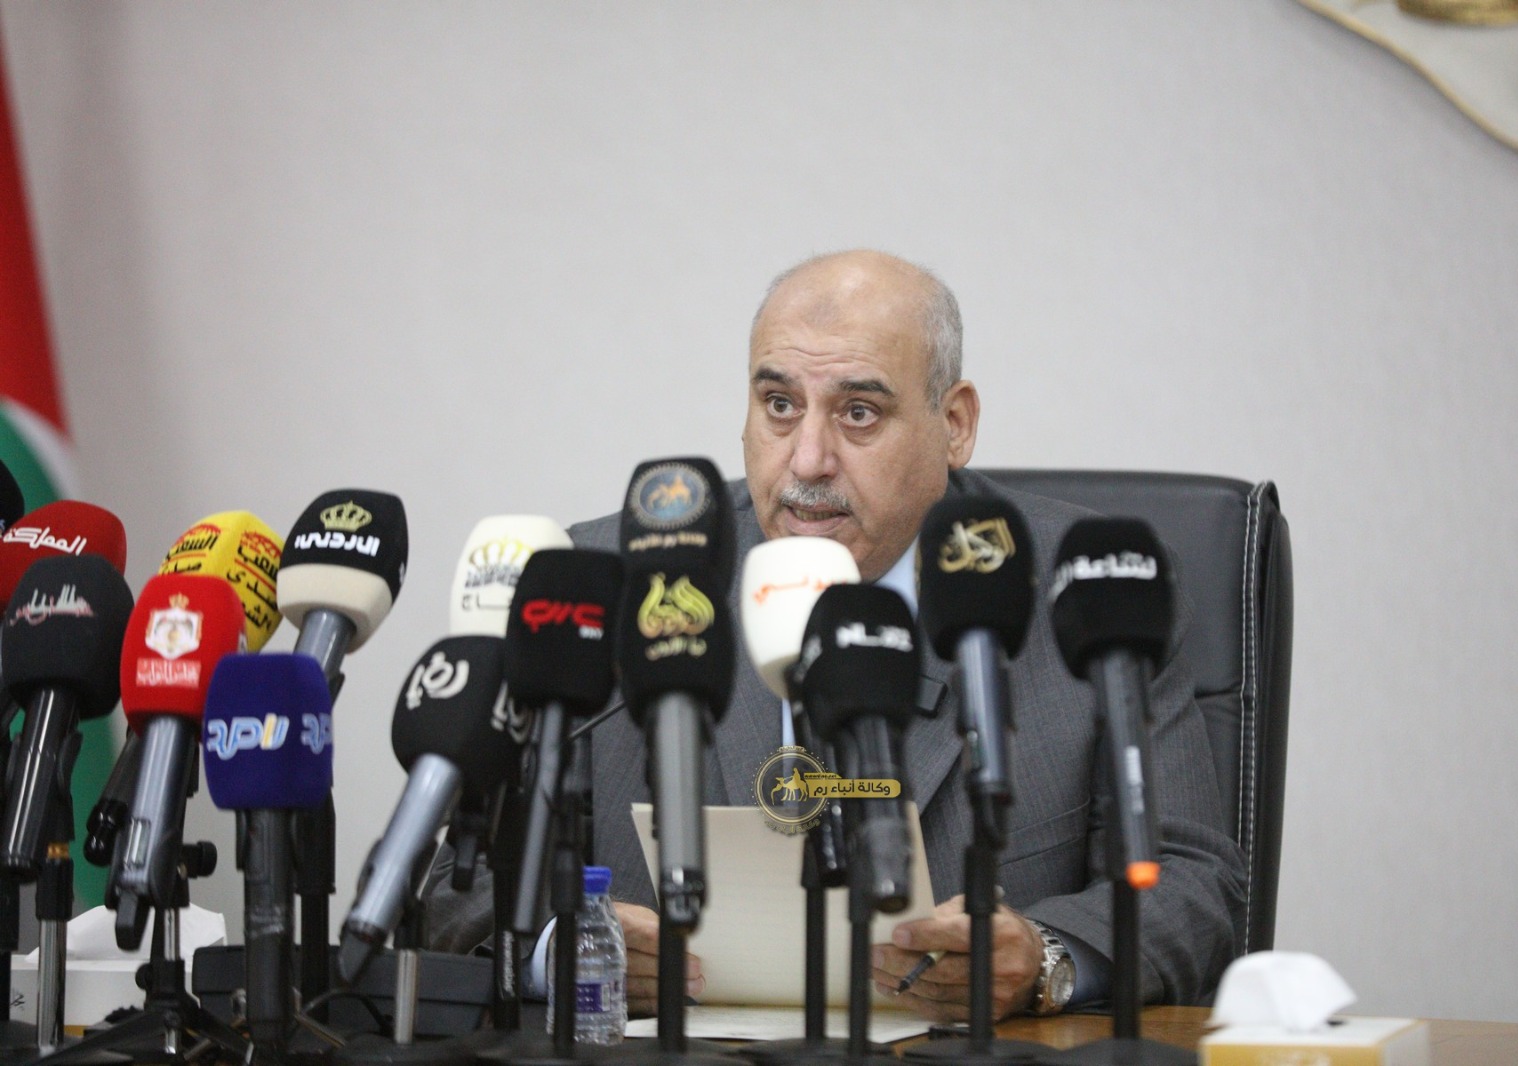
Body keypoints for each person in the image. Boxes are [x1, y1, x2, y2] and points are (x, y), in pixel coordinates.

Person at [429, 249, 1245, 1022]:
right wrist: (558, 952)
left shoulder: (1088, 589)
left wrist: (1044, 959)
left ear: (955, 423)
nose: (807, 460)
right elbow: (451, 888)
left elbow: (1193, 884)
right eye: (779, 406)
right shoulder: (602, 584)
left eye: (859, 413)